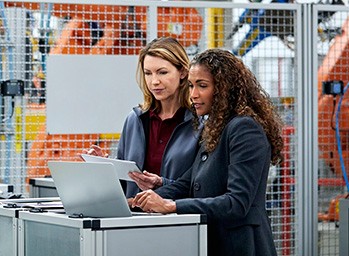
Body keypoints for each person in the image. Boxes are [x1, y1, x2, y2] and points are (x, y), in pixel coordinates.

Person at [131, 48, 284, 256]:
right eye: (192, 85)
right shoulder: (216, 127)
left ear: (224, 89)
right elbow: (188, 184)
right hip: (215, 242)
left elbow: (237, 203)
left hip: (242, 246)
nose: (193, 94)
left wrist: (172, 206)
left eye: (202, 86)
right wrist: (138, 201)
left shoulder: (245, 129)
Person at [82, 37, 201, 197]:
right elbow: (123, 185)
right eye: (148, 73)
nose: (154, 81)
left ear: (183, 73)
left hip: (179, 218)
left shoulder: (200, 123)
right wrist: (105, 167)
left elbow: (204, 186)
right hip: (135, 219)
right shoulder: (135, 120)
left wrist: (162, 184)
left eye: (162, 72)